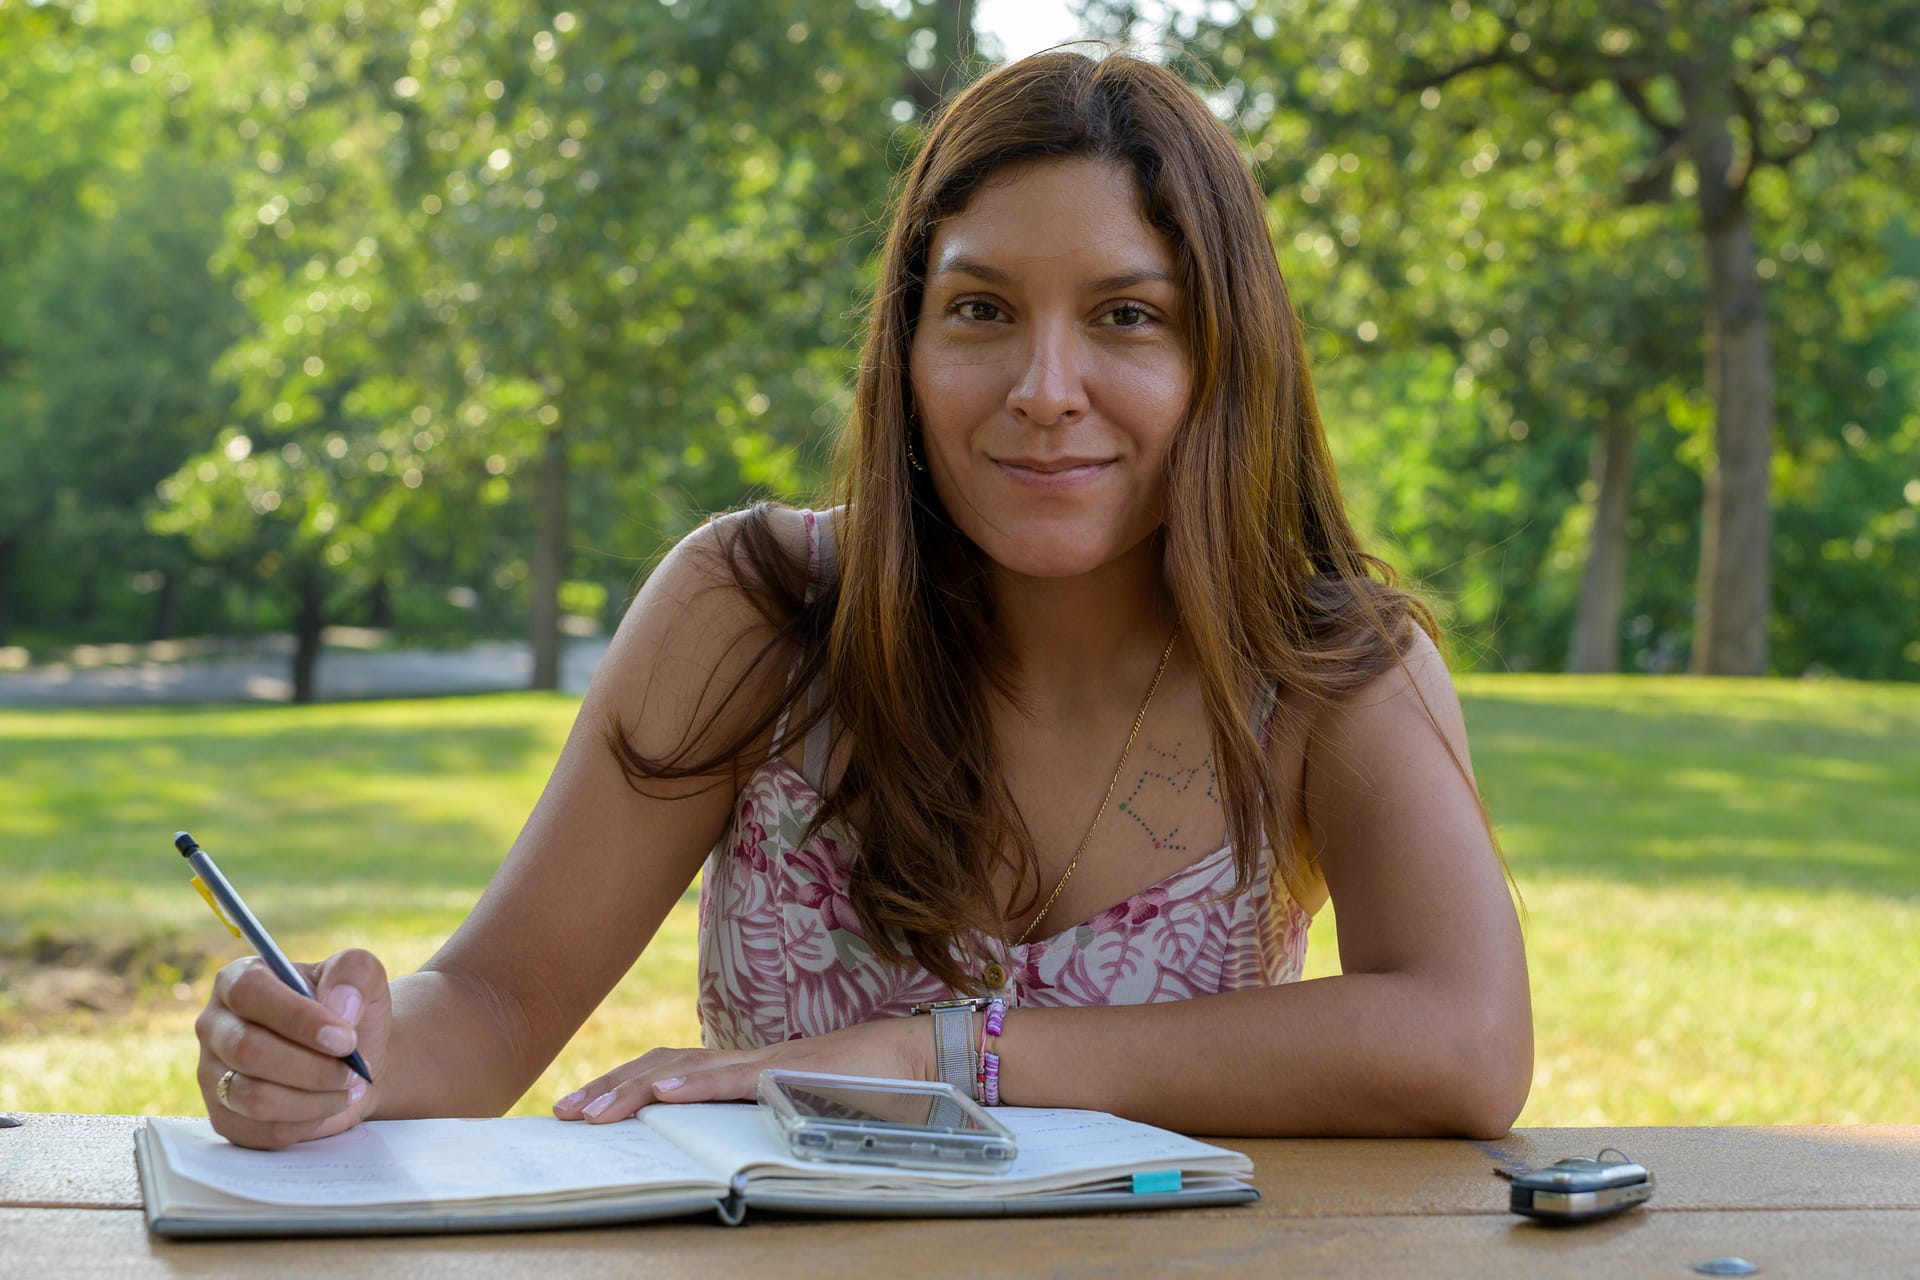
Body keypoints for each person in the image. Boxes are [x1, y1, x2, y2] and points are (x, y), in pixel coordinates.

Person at [192, 50, 1531, 1151]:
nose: (1043, 388)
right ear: (907, 344)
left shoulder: (1328, 664)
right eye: (982, 310)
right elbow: (487, 1006)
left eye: (1128, 315)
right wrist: (343, 1054)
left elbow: (1467, 1047)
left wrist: (943, 1052)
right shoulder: (755, 610)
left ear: (1222, 357)